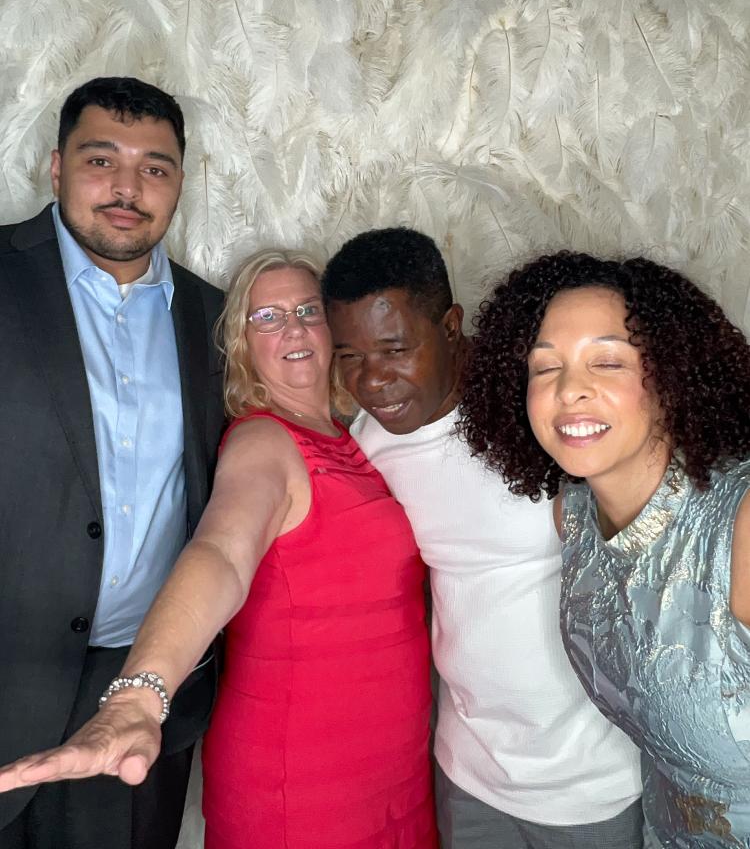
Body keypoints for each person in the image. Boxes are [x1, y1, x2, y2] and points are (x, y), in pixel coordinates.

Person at [0, 249, 438, 849]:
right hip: (303, 774)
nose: (293, 328)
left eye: (307, 310)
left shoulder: (356, 435)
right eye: (268, 317)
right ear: (242, 345)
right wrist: (140, 694)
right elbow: (221, 555)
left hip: (395, 762)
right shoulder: (263, 443)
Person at [321, 228, 644, 849]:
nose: (373, 379)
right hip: (469, 773)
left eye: (395, 349)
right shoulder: (370, 444)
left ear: (451, 326)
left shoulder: (547, 412)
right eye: (350, 356)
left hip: (594, 778)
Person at [458, 250, 750, 849]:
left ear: (672, 377)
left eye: (608, 361)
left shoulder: (740, 525)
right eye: (545, 368)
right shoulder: (575, 516)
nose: (570, 390)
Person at [0, 77, 225, 849]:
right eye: (101, 160)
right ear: (56, 167)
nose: (128, 188)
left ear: (179, 183)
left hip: (144, 692)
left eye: (154, 168)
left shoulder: (214, 318)